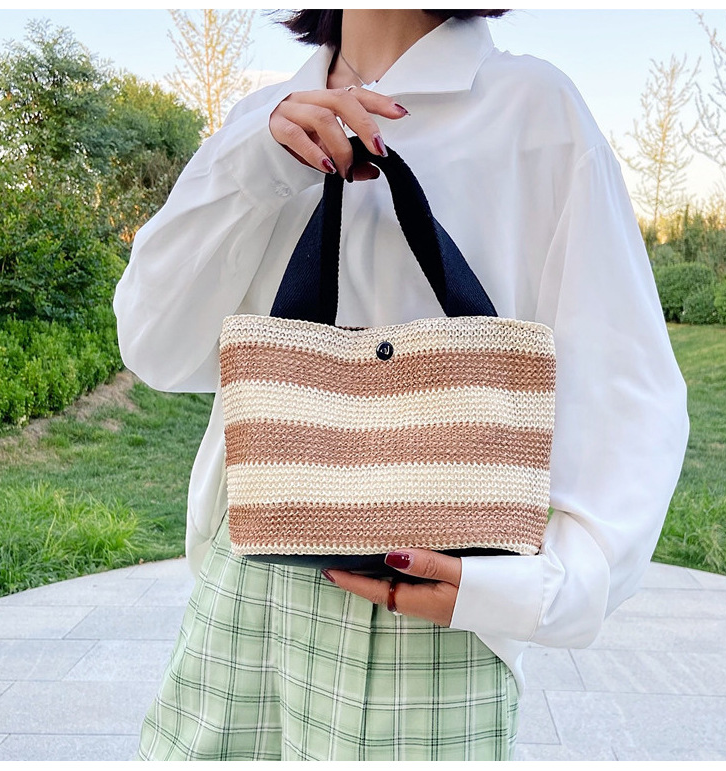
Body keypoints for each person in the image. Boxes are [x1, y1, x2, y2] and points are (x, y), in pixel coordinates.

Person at [113, 9, 690, 761]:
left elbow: (627, 387)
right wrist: (257, 163)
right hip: (245, 573)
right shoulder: (262, 119)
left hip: (426, 605)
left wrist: (544, 588)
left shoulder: (533, 110)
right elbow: (154, 345)